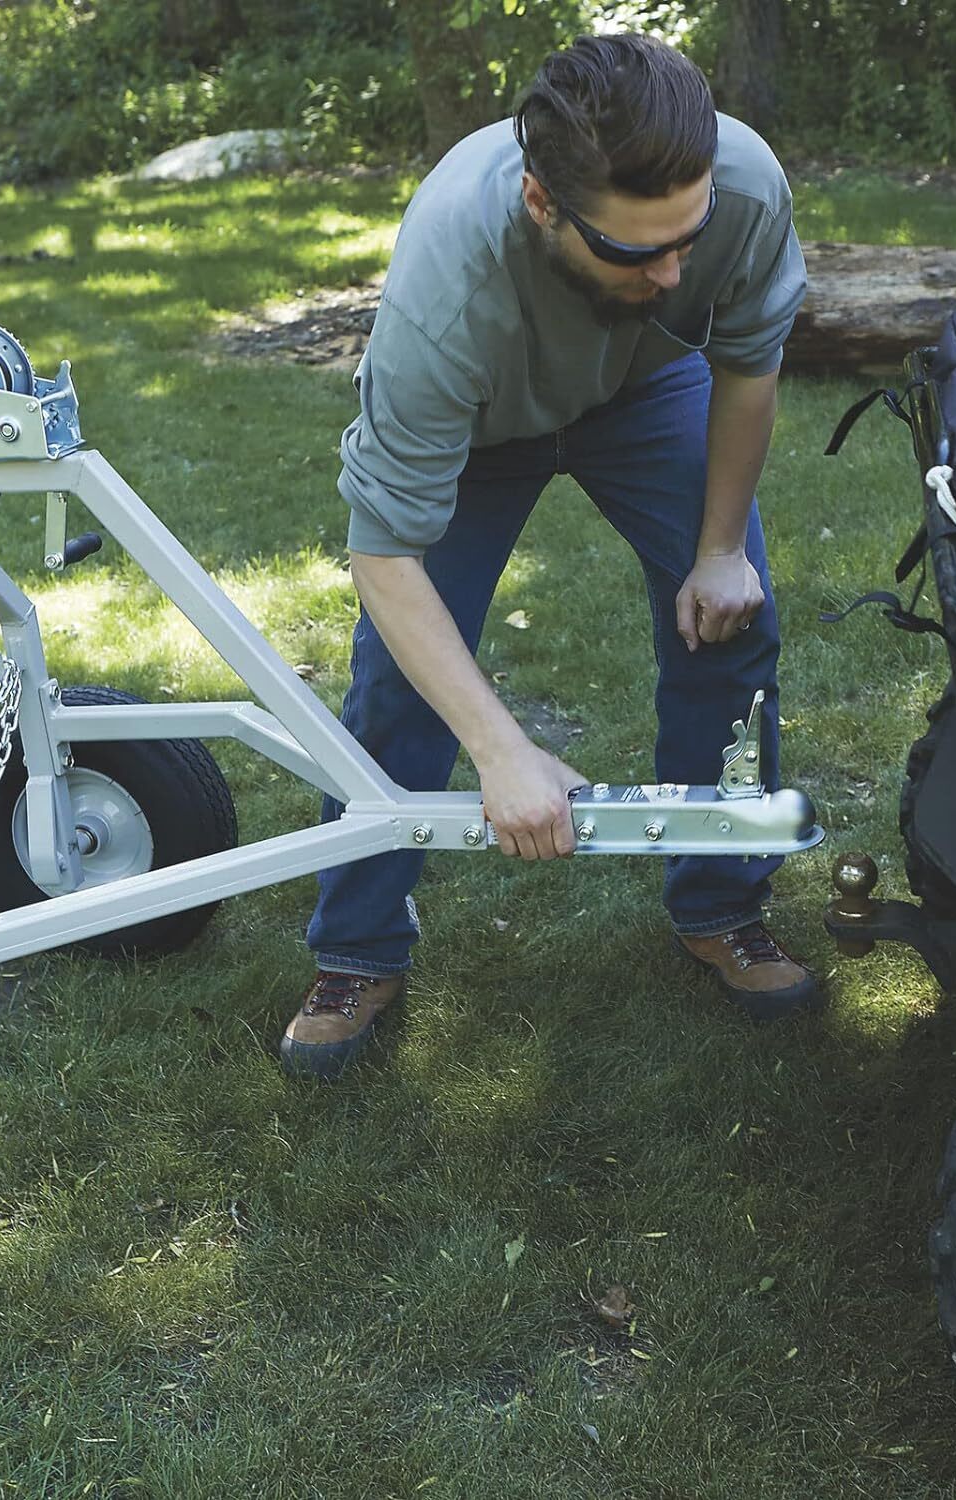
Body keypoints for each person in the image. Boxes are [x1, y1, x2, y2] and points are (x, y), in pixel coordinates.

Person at [281, 32, 818, 1081]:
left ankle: (722, 908)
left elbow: (748, 369)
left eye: (686, 240)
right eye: (635, 252)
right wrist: (502, 751)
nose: (672, 272)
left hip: (650, 389)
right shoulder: (448, 284)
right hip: (482, 420)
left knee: (733, 627)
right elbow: (384, 554)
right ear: (542, 204)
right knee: (401, 684)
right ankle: (357, 949)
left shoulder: (742, 184)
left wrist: (718, 550)